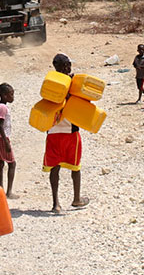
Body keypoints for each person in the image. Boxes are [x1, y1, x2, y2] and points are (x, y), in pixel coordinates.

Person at [43, 53, 89, 213]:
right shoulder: (73, 82)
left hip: (53, 130)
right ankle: (76, 199)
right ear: (65, 66)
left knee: (55, 168)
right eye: (68, 64)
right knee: (75, 167)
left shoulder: (50, 82)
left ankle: (56, 203)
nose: (70, 67)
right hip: (71, 130)